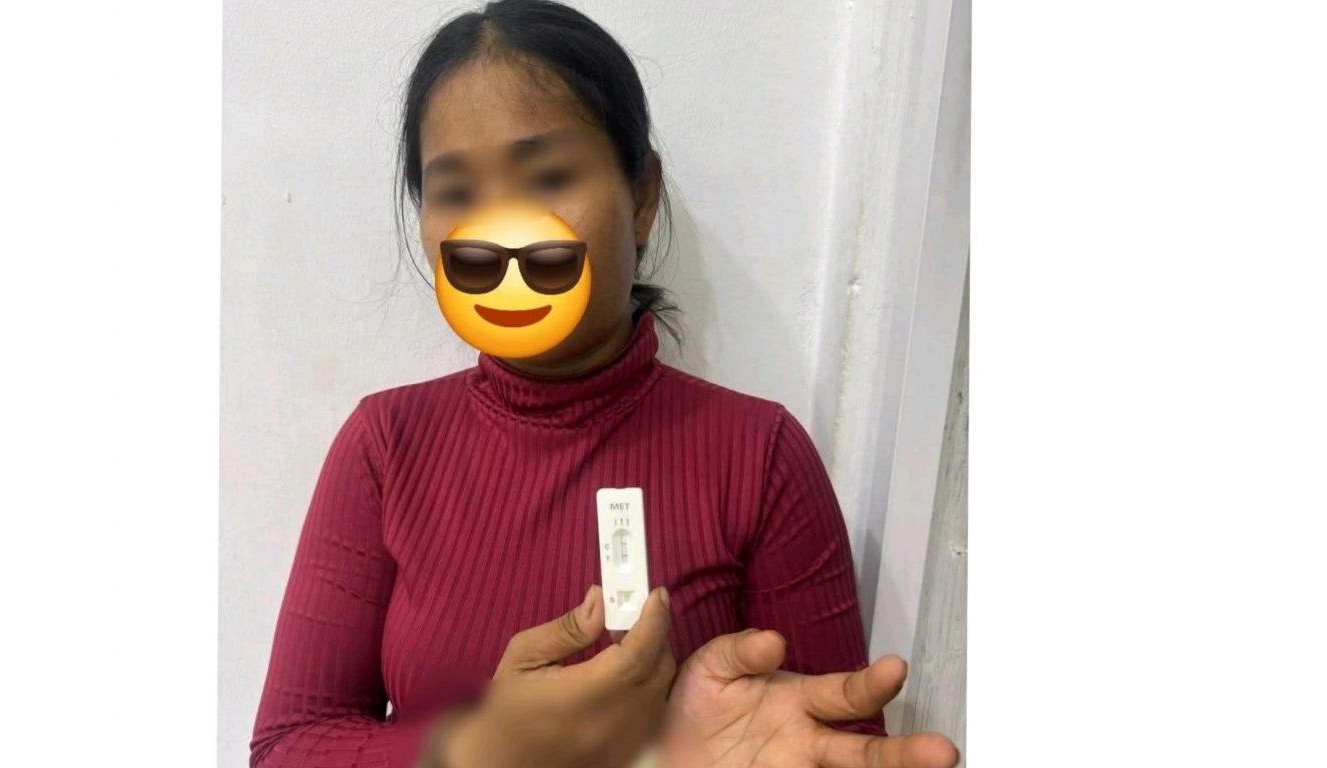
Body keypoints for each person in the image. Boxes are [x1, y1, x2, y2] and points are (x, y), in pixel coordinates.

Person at [249, 2, 961, 766]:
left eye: (549, 177)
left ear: (642, 197)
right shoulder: (386, 447)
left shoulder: (761, 457)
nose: (504, 229)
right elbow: (289, 747)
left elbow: (831, 744)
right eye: (456, 192)